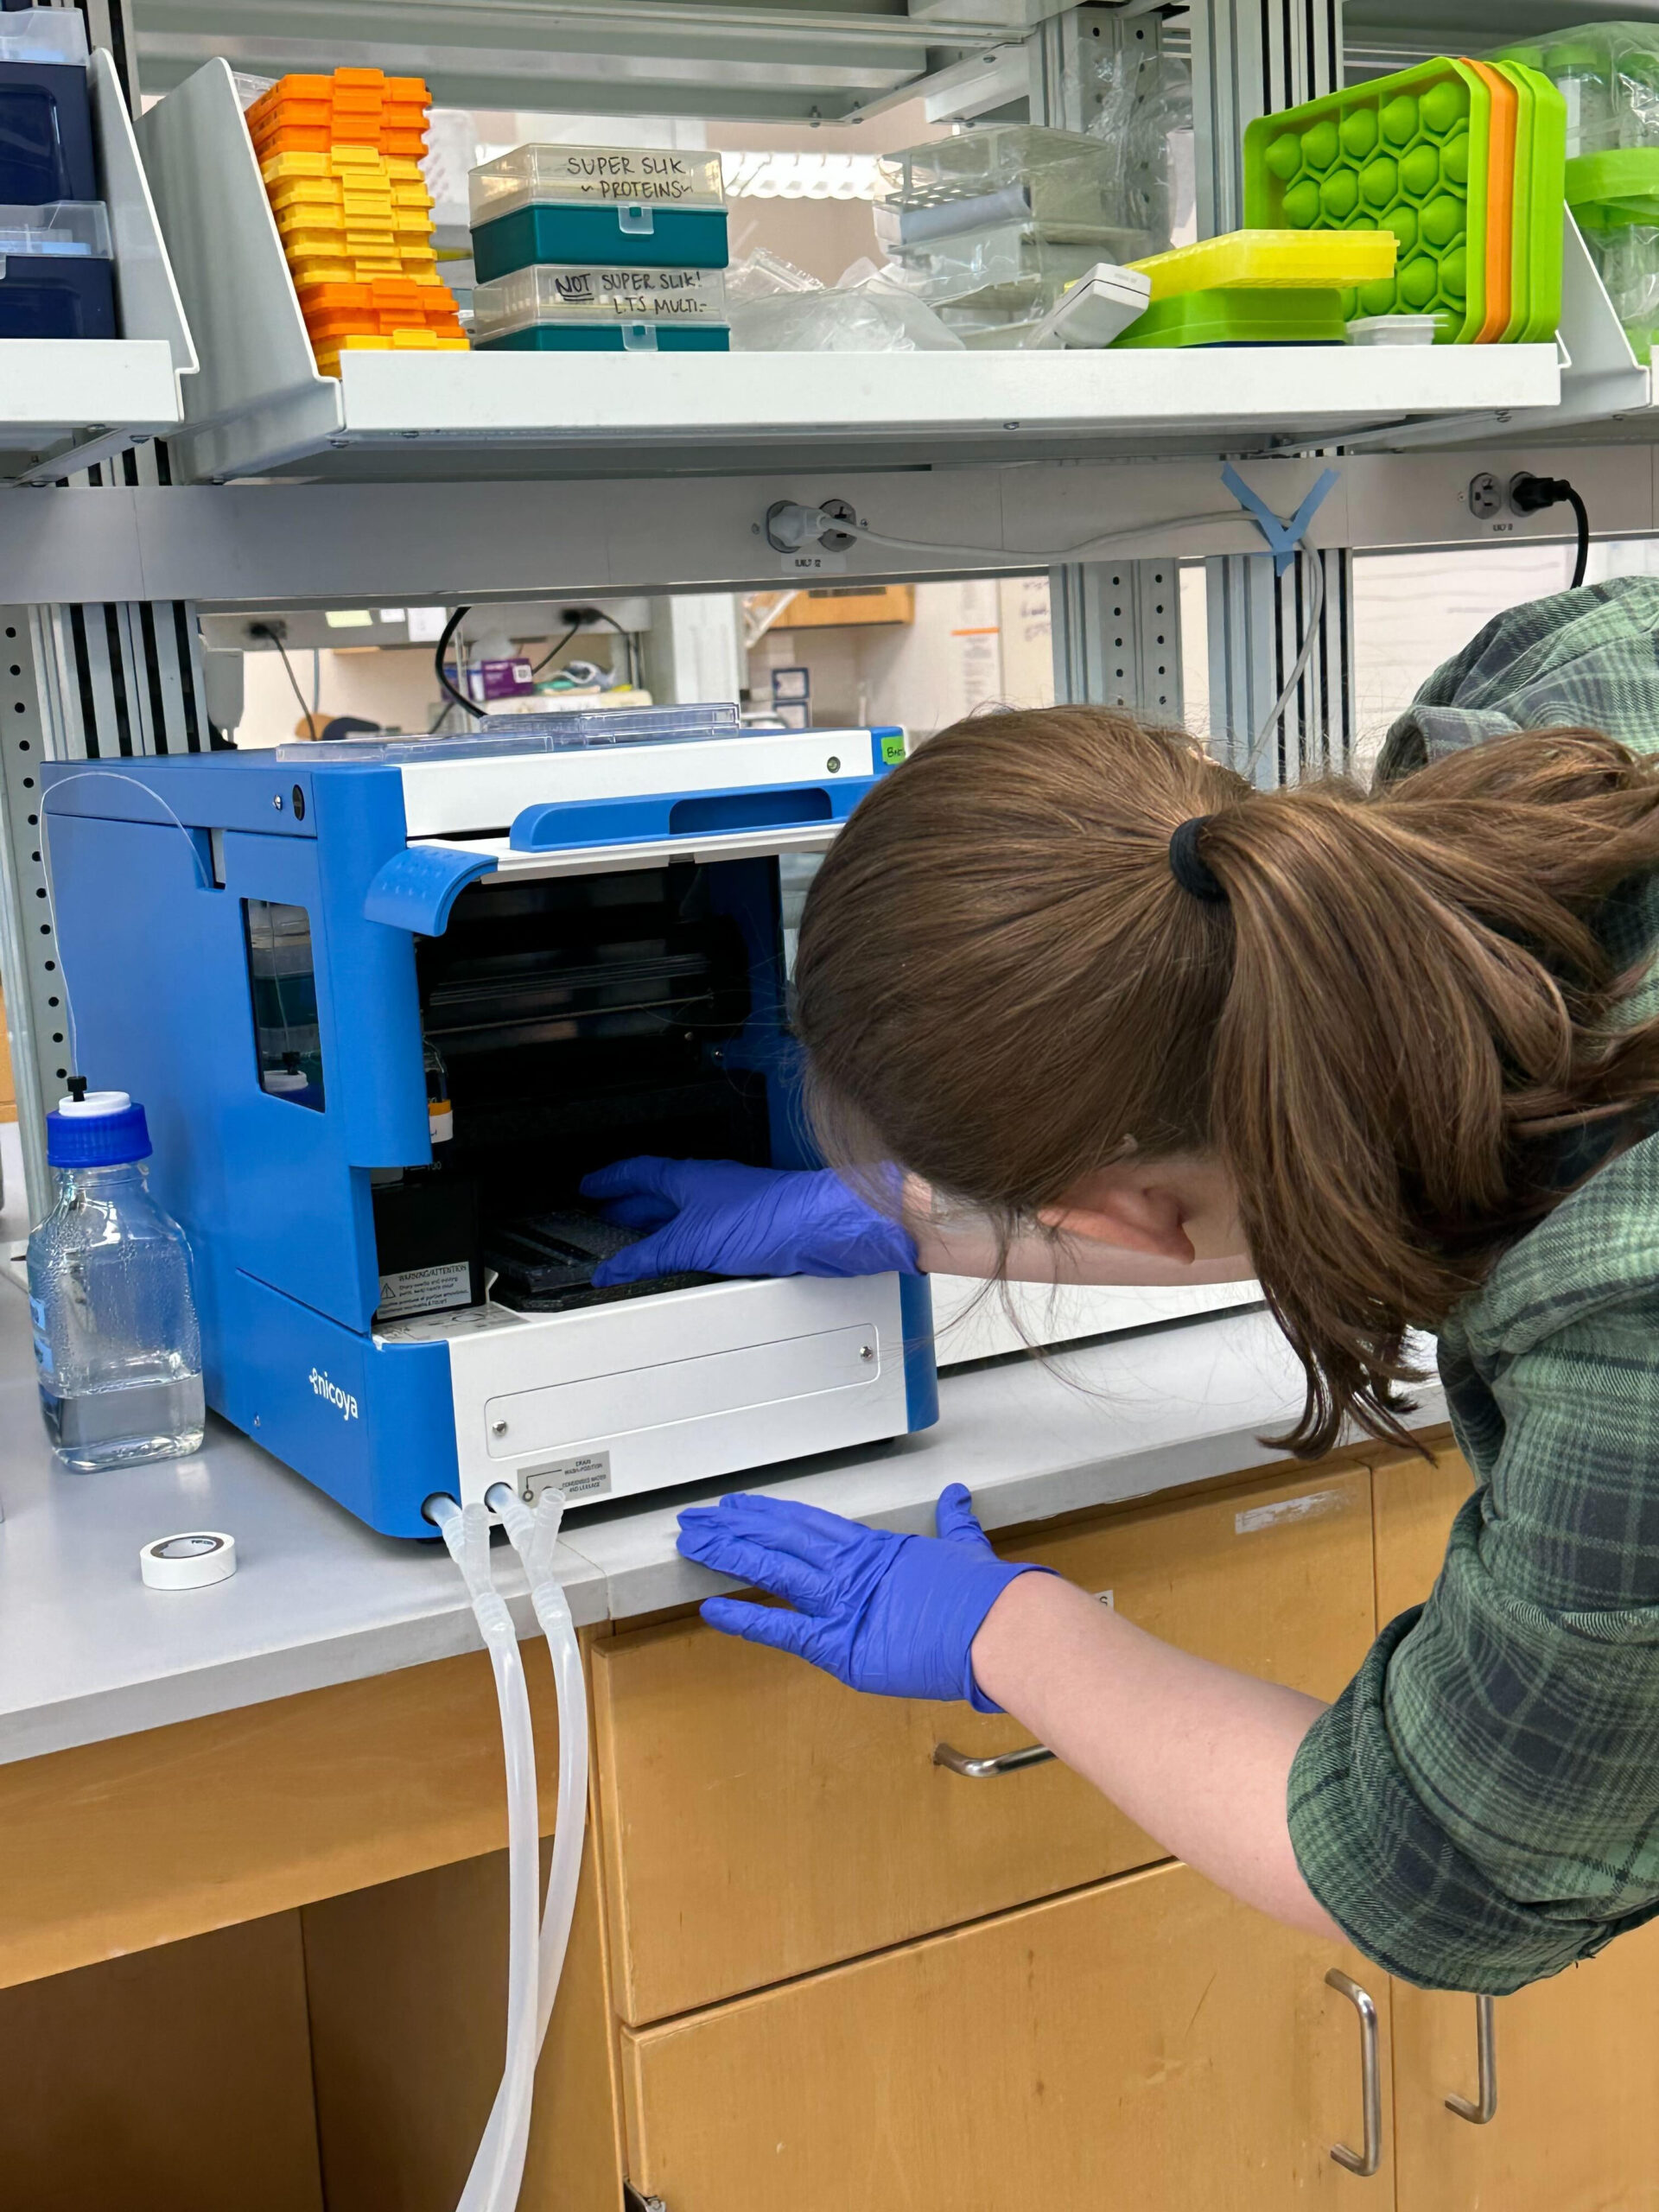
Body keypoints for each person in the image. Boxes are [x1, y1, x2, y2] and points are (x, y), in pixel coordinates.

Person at [581, 577, 1659, 1998]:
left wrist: (1014, 1630)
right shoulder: (1562, 683)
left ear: (1124, 1211)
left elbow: (1433, 1863)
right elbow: (1310, 1120)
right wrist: (922, 1222)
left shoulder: (1621, 1335)